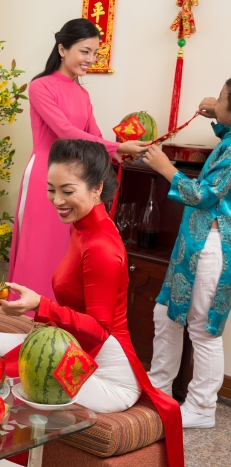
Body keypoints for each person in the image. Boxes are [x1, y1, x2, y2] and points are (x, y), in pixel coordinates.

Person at [0, 139, 183, 467]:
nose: (57, 201)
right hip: (80, 351)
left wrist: (38, 305)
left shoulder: (100, 246)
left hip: (107, 373)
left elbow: (100, 330)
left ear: (97, 188)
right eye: (51, 190)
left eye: (67, 191)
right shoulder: (83, 228)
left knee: (5, 382)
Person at [8, 18, 147, 301]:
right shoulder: (41, 87)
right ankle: (25, 319)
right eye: (85, 51)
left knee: (65, 250)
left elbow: (92, 135)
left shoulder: (83, 94)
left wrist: (119, 150)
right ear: (62, 49)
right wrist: (115, 146)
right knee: (37, 248)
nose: (91, 59)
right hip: (45, 178)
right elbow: (66, 133)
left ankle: (57, 319)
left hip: (76, 182)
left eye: (95, 53)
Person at [142, 81, 231, 429]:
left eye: (222, 98)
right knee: (166, 315)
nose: (216, 101)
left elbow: (205, 195)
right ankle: (159, 389)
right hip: (193, 243)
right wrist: (217, 113)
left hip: (213, 248)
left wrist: (165, 167)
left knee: (203, 329)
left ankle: (202, 407)